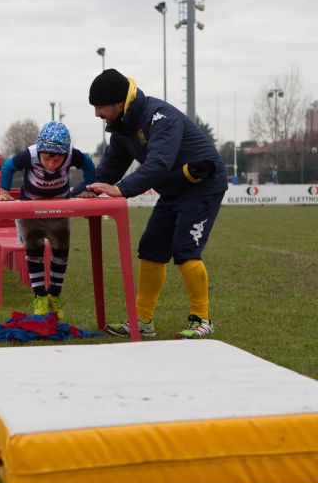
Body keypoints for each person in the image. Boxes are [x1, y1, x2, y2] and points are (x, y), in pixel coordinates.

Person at [86, 68, 228, 339]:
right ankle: (142, 321)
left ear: (119, 102)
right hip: (175, 188)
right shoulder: (122, 128)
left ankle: (202, 319)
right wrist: (82, 192)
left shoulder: (160, 117)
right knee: (150, 248)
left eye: (100, 107)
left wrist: (121, 189)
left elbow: (159, 165)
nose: (97, 114)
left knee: (185, 248)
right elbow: (107, 170)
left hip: (203, 185)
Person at [0, 121, 96, 318]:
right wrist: (4, 192)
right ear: (40, 151)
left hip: (58, 210)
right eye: (47, 158)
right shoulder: (30, 155)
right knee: (34, 253)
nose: (51, 164)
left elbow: (89, 165)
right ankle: (40, 296)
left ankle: (54, 295)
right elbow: (7, 167)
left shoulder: (73, 154)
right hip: (31, 211)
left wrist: (90, 188)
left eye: (57, 160)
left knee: (61, 252)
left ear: (65, 155)